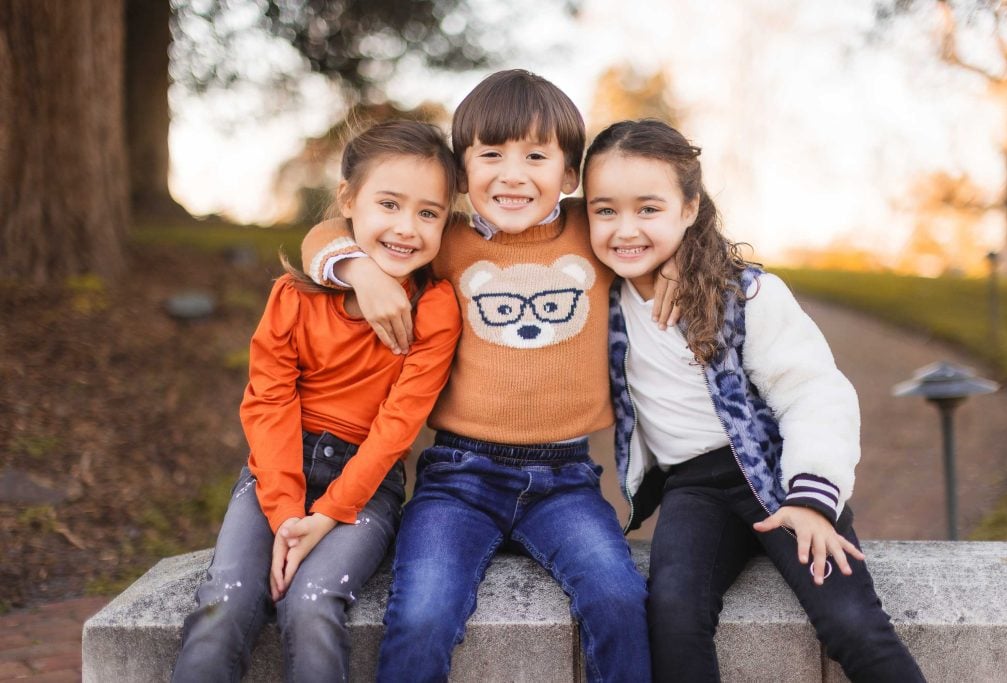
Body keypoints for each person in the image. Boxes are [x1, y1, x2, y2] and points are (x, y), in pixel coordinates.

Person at [301, 70, 651, 682]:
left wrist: (671, 269)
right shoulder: (446, 240)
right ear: (462, 171)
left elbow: (657, 227)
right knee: (423, 613)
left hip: (566, 478)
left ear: (569, 175)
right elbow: (324, 233)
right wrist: (361, 272)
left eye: (536, 156)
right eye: (491, 154)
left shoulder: (593, 235)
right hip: (459, 477)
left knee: (620, 600)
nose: (512, 174)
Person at [583, 119, 925, 683]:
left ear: (690, 207)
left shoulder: (743, 294)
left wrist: (814, 498)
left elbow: (814, 391)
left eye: (649, 209)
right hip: (694, 488)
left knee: (850, 622)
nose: (625, 229)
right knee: (671, 615)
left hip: (779, 476)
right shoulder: (594, 294)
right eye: (605, 211)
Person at [172, 120, 462, 683]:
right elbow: (267, 402)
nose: (408, 228)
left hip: (367, 484)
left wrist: (329, 514)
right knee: (225, 601)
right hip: (275, 472)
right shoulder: (293, 296)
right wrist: (285, 515)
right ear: (348, 201)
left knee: (310, 603)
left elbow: (398, 426)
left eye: (429, 213)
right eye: (389, 204)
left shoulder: (435, 308)